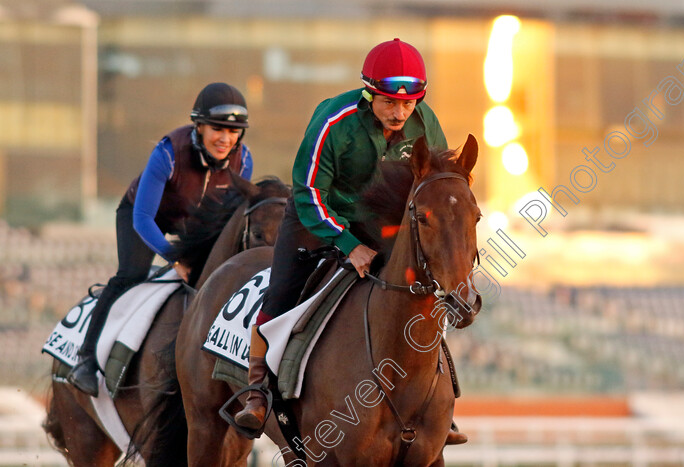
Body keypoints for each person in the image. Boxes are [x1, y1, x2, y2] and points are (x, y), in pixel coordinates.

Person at [233, 38, 468, 445]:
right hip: (317, 217)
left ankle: (438, 402)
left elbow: (434, 181)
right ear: (369, 92)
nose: (400, 113)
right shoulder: (333, 119)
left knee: (424, 293)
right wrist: (346, 243)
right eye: (389, 103)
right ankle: (256, 392)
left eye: (409, 104)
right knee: (281, 296)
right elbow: (307, 193)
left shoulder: (425, 122)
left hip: (383, 224)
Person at [67, 82, 254, 397]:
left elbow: (228, 222)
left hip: (193, 222)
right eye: (217, 129)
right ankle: (85, 360)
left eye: (234, 132)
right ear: (199, 126)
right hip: (143, 215)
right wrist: (176, 260)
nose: (225, 139)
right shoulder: (168, 151)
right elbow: (143, 219)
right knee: (132, 274)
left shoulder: (244, 161)